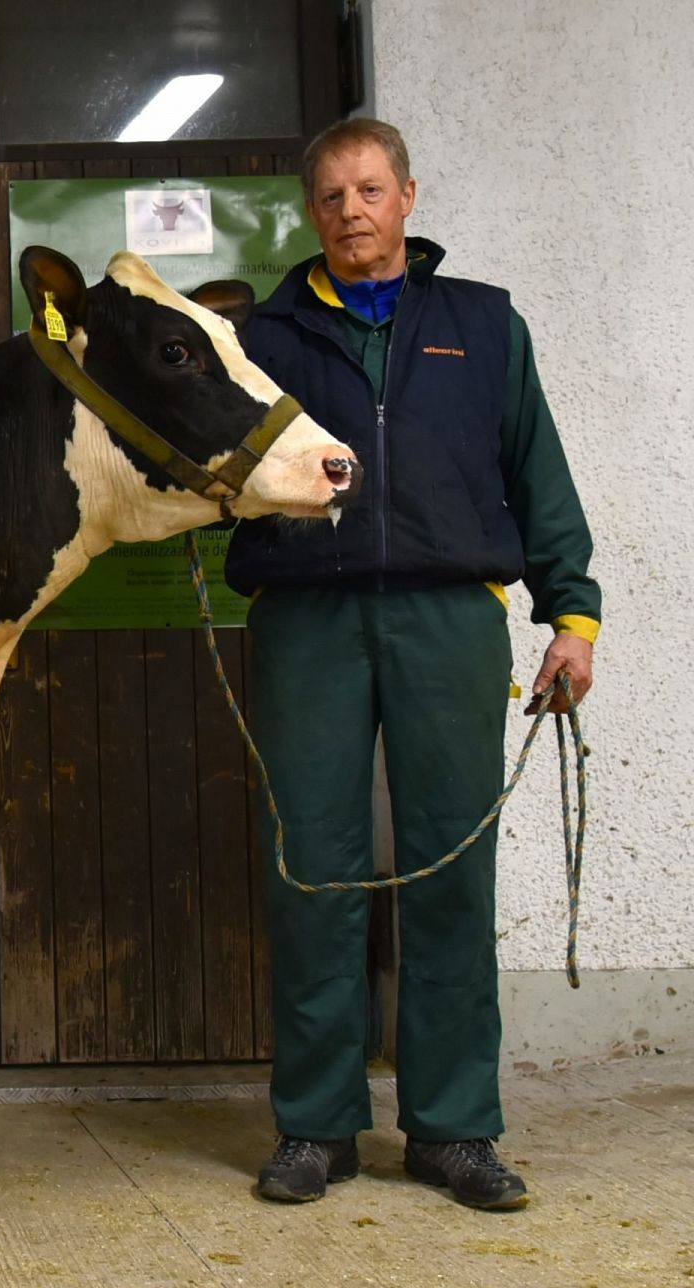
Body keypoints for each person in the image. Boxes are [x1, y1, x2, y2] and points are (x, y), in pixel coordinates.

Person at [226, 118, 600, 1210]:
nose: (353, 212)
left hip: (450, 620)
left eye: (371, 190)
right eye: (333, 196)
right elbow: (211, 457)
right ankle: (317, 1127)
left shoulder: (481, 324)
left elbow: (539, 471)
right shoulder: (269, 334)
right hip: (308, 619)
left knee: (448, 868)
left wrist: (571, 617)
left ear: (409, 197)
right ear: (311, 212)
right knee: (315, 870)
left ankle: (451, 1130)